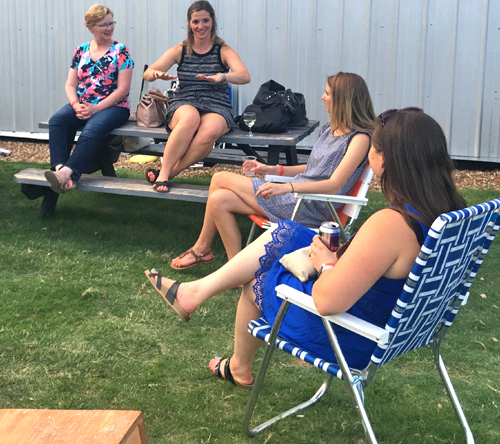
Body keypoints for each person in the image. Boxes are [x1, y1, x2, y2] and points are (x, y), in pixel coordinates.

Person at [145, 109, 465, 389]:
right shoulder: (447, 212)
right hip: (396, 325)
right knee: (288, 232)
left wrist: (327, 262)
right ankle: (194, 294)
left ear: (383, 160)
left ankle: (237, 363)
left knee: (262, 273)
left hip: (352, 335)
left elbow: (327, 301)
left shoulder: (391, 225)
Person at [170, 72, 377, 270]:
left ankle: (202, 249)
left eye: (328, 93)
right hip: (297, 196)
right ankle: (237, 271)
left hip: (309, 205)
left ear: (344, 100)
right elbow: (313, 168)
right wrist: (272, 169)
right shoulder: (331, 129)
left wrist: (286, 188)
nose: (323, 97)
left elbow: (334, 185)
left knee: (219, 178)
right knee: (219, 200)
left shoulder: (359, 138)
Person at [143, 0, 251, 192]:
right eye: (196, 22)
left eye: (205, 21)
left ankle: (169, 173)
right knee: (190, 118)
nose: (201, 26)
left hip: (216, 104)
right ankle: (165, 173)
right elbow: (148, 72)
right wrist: (157, 74)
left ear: (212, 22)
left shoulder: (222, 50)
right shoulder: (180, 50)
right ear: (189, 24)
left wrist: (222, 77)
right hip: (185, 100)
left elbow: (244, 76)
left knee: (208, 132)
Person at [44, 4, 134, 194]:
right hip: (83, 104)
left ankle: (66, 173)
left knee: (90, 131)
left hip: (114, 106)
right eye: (103, 25)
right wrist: (76, 105)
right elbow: (70, 85)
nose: (109, 28)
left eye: (111, 23)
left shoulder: (120, 51)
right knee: (57, 122)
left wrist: (96, 108)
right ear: (90, 27)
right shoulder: (80, 51)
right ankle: (60, 169)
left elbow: (123, 89)